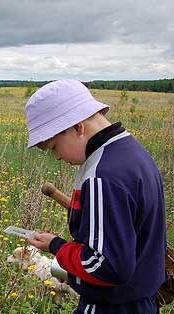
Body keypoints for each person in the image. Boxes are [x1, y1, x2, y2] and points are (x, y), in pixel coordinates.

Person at [25, 79, 166, 313]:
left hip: (112, 306)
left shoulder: (103, 175)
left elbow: (108, 266)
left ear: (77, 127)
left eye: (54, 147)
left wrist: (58, 247)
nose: (57, 157)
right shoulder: (131, 152)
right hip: (140, 299)